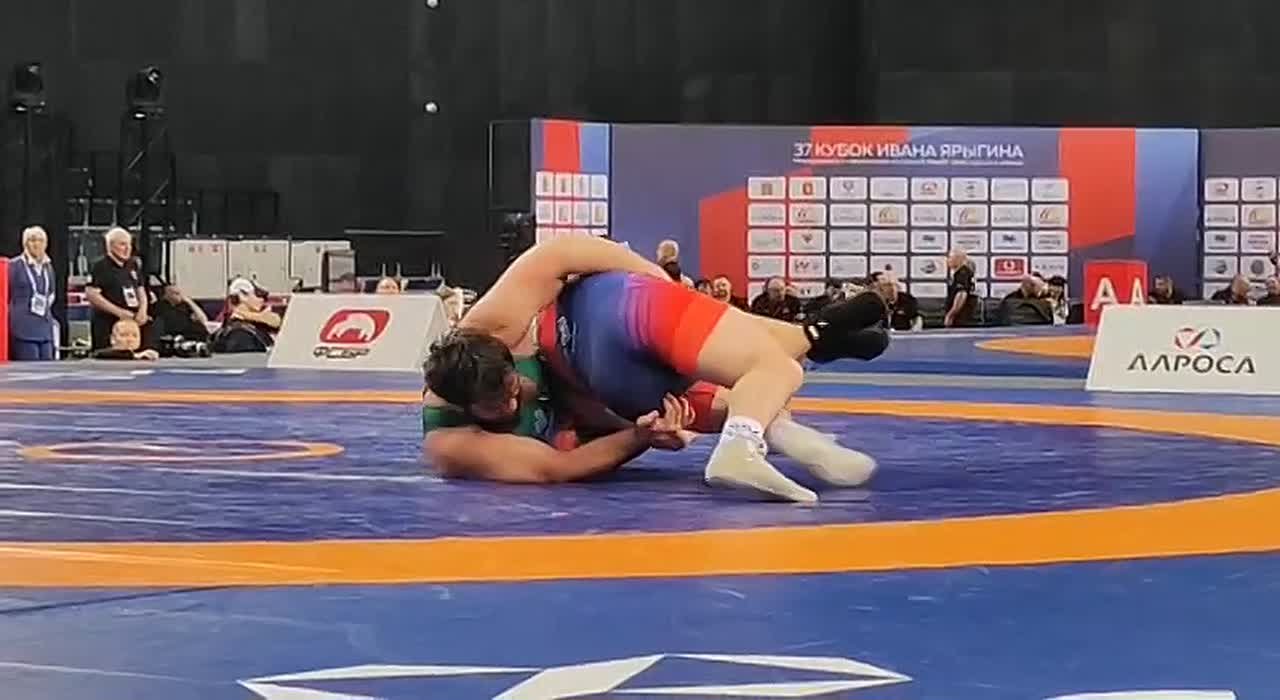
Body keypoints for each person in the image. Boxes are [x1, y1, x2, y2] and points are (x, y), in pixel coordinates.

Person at [422, 236, 891, 502]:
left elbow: (560, 254)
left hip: (603, 365)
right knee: (767, 365)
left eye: (511, 386)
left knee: (730, 391)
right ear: (465, 407)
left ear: (503, 354)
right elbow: (556, 468)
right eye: (498, 406)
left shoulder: (491, 324)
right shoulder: (453, 442)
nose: (512, 402)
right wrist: (641, 435)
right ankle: (816, 336)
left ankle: (796, 399)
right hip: (611, 333)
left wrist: (654, 276)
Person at [86, 227, 149, 350]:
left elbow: (140, 289)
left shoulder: (133, 264)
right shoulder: (100, 266)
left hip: (132, 322)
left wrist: (143, 310)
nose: (127, 248)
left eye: (129, 244)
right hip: (108, 322)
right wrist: (119, 312)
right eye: (122, 244)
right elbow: (92, 294)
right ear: (110, 246)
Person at [8, 226, 58, 360]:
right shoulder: (14, 266)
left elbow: (51, 293)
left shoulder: (48, 267)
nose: (37, 244)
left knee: (47, 367)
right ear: (25, 243)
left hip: (44, 326)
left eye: (41, 240)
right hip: (23, 328)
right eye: (32, 240)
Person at [92, 319, 159, 361]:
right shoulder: (102, 355)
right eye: (124, 335)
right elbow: (99, 354)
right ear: (112, 339)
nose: (130, 340)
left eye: (135, 336)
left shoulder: (142, 357)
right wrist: (136, 356)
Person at [944, 250, 977, 327]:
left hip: (961, 318)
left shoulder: (962, 274)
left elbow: (962, 294)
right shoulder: (963, 272)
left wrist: (951, 314)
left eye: (950, 257)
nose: (948, 260)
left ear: (958, 259)